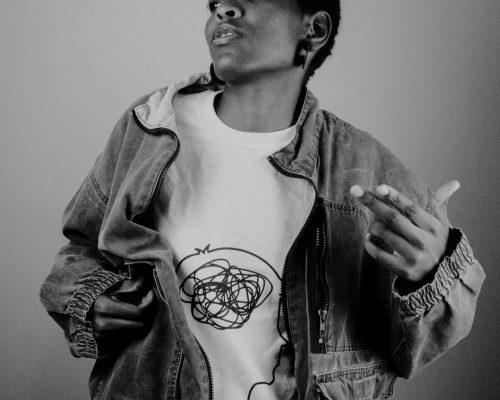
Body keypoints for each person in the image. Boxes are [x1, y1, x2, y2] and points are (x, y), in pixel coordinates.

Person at [39, 1, 485, 399]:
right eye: (215, 3)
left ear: (314, 29)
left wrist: (430, 275)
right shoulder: (151, 129)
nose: (223, 10)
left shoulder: (367, 170)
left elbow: (412, 351)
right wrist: (89, 299)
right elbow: (82, 247)